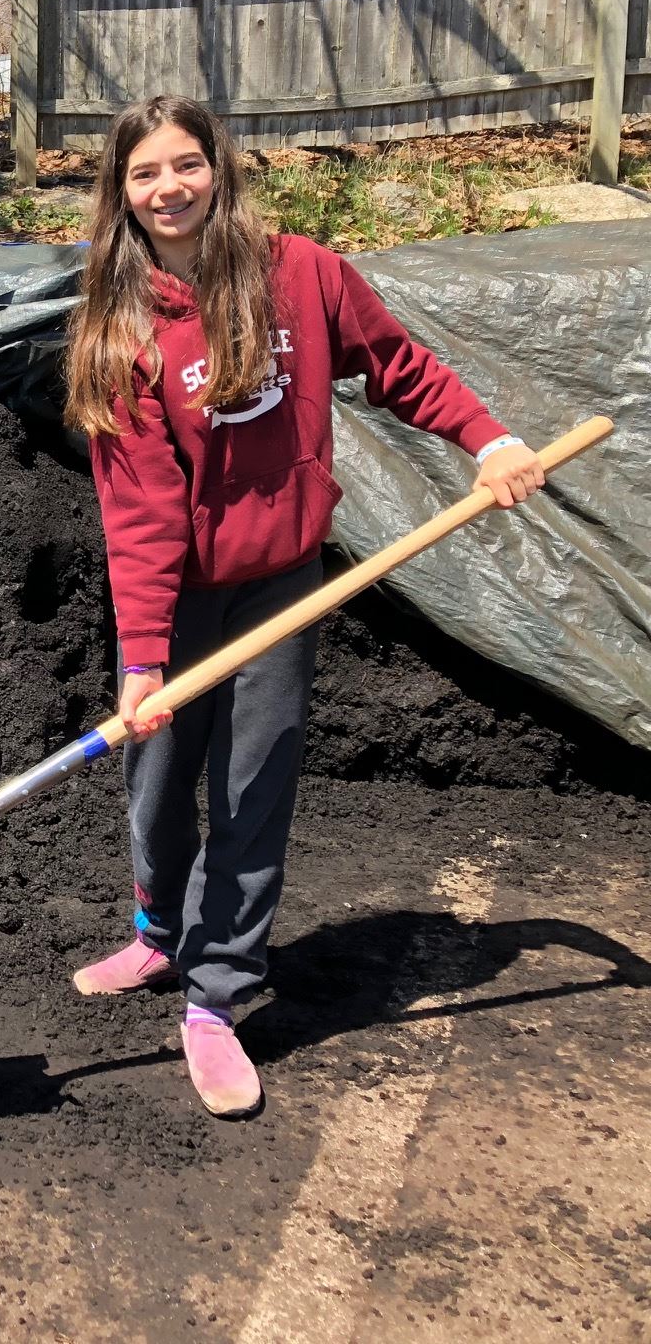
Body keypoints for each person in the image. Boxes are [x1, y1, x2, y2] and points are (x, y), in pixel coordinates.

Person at [61, 96, 546, 1117]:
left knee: (253, 786)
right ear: (123, 193)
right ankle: (158, 933)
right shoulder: (122, 326)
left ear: (219, 167)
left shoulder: (303, 274)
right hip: (180, 593)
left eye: (186, 164)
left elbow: (399, 367)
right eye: (146, 174)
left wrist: (488, 439)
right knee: (156, 782)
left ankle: (216, 996)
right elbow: (141, 514)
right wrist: (144, 659)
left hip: (282, 582)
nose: (170, 188)